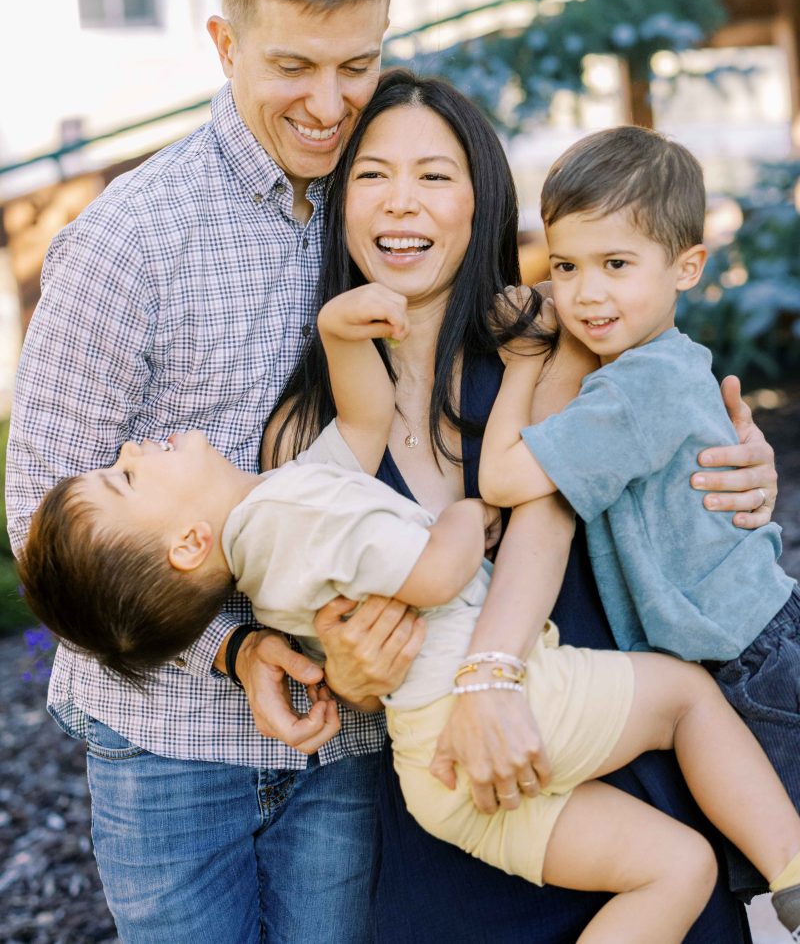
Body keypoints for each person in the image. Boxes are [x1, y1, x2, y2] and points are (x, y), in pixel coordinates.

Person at [16, 279, 800, 943]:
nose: (133, 448)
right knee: (686, 700)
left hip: (436, 773)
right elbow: (434, 573)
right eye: (125, 477)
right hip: (499, 704)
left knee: (677, 866)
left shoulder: (276, 522)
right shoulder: (288, 517)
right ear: (189, 543)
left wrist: (339, 335)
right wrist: (465, 516)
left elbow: (362, 423)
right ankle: (793, 865)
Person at [263, 69, 778, 942]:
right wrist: (347, 671)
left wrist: (490, 676)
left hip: (618, 782)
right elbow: (334, 637)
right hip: (466, 822)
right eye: (372, 174)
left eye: (435, 175)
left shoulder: (553, 341)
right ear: (340, 202)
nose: (401, 202)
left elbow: (551, 515)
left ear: (481, 203)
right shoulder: (304, 428)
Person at [4, 0, 415, 944]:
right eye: (293, 66)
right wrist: (232, 648)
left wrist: (706, 451)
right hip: (169, 748)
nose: (329, 103)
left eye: (357, 64)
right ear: (226, 45)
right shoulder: (126, 243)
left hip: (349, 735)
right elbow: (41, 512)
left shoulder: (395, 199)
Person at [479, 125, 800, 893]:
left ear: (687, 266)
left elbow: (501, 477)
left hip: (744, 655)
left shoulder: (637, 387)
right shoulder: (658, 362)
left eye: (616, 264)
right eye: (566, 266)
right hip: (743, 640)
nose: (586, 293)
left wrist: (520, 365)